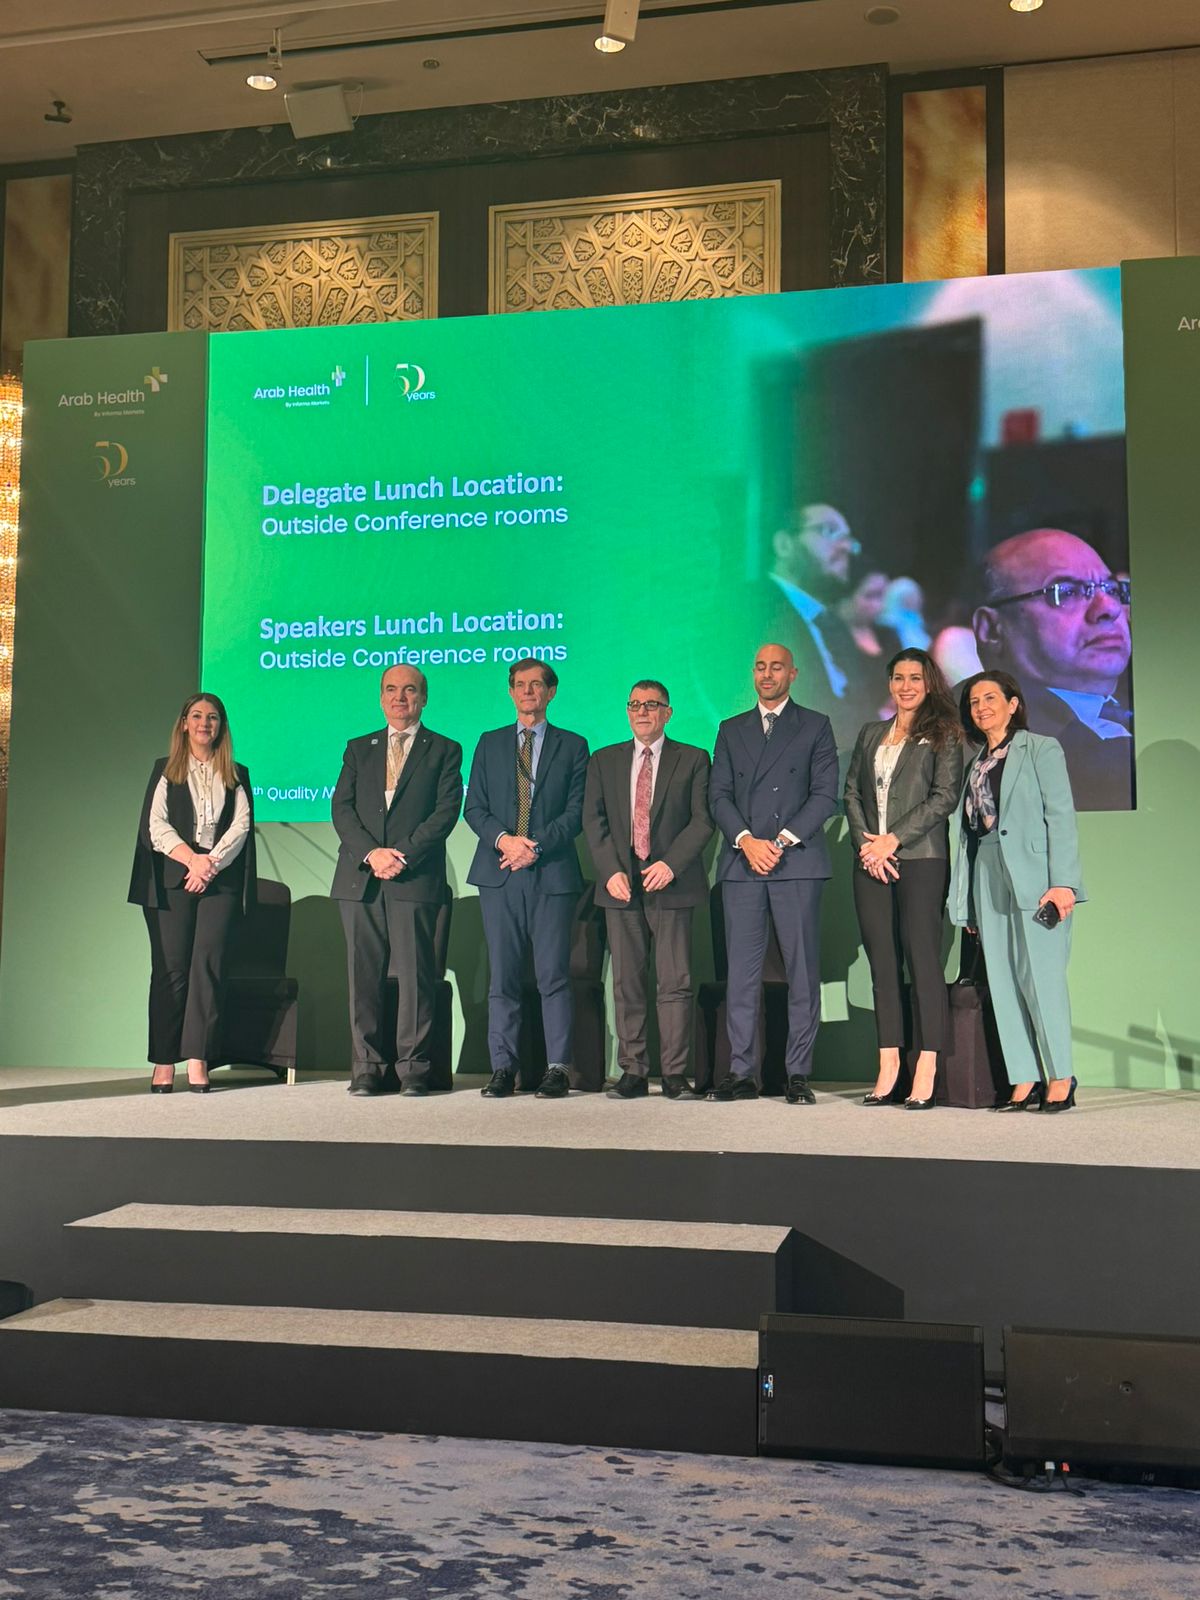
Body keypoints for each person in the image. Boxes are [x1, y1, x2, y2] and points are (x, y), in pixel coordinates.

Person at [949, 670, 1085, 1112]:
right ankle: (1024, 1078)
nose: (981, 707)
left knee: (1041, 979)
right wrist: (966, 903)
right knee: (1003, 980)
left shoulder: (1042, 748)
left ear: (1013, 704)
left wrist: (1063, 883)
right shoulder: (975, 763)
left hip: (1036, 876)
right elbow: (968, 835)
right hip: (987, 870)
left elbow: (1060, 816)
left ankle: (1061, 1076)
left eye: (990, 698)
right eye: (974, 702)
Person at [709, 642, 839, 1102]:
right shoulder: (731, 729)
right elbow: (718, 795)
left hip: (795, 862)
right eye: (760, 667)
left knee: (802, 972)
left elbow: (825, 795)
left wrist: (779, 842)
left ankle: (797, 1073)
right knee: (741, 976)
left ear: (793, 674)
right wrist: (747, 841)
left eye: (776, 667)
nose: (767, 674)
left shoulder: (815, 725)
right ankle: (741, 1072)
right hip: (743, 863)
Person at [330, 665, 463, 1097]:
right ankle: (367, 1068)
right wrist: (373, 854)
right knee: (362, 977)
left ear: (423, 698)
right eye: (391, 689)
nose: (399, 697)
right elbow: (342, 809)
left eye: (409, 690)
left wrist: (400, 854)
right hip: (361, 879)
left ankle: (414, 1069)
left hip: (414, 878)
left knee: (416, 976)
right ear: (381, 697)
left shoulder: (444, 749)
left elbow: (445, 812)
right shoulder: (358, 748)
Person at [843, 649, 964, 1110]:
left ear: (928, 683)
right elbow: (851, 793)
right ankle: (889, 1064)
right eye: (898, 678)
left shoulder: (945, 733)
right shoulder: (870, 733)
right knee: (882, 964)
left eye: (915, 678)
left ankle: (926, 1065)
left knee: (923, 960)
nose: (906, 686)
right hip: (871, 862)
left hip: (920, 859)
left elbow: (944, 798)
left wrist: (891, 840)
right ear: (889, 684)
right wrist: (867, 846)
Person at [465, 657, 588, 1100]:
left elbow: (576, 812)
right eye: (520, 684)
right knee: (503, 978)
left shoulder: (574, 745)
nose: (528, 691)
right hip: (499, 873)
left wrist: (533, 845)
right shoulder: (489, 742)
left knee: (553, 975)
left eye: (537, 684)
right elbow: (474, 807)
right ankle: (504, 1068)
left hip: (550, 872)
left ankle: (557, 1068)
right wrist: (506, 841)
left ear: (551, 692)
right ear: (511, 691)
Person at [583, 680, 713, 1100]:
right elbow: (594, 822)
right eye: (635, 704)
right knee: (627, 982)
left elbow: (702, 820)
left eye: (651, 705)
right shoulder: (603, 760)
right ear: (627, 711)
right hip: (620, 887)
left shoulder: (693, 759)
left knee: (675, 982)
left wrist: (671, 864)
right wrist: (610, 871)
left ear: (667, 713)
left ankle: (674, 1074)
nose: (642, 711)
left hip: (672, 884)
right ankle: (634, 1071)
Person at [127, 692, 254, 1094]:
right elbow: (155, 825)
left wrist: (209, 864)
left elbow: (241, 826)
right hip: (172, 881)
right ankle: (165, 1060)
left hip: (220, 881)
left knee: (208, 969)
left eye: (212, 717)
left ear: (221, 726)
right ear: (184, 724)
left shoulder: (236, 773)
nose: (204, 723)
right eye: (197, 716)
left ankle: (199, 1058)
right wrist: (191, 861)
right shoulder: (165, 769)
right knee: (171, 970)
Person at [972, 528, 1133, 810]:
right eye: (1066, 592)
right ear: (992, 629)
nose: (1109, 608)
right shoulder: (976, 743)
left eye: (1111, 589)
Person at [764, 503, 867, 754]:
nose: (845, 547)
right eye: (829, 531)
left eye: (848, 539)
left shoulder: (835, 627)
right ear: (784, 545)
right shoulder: (752, 611)